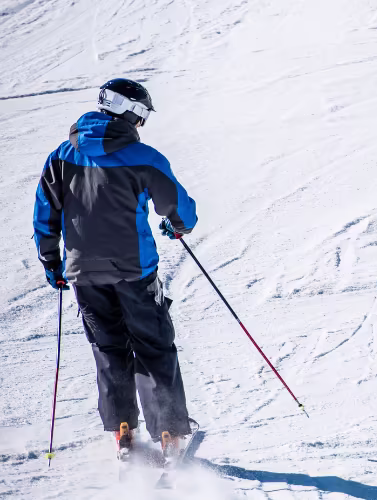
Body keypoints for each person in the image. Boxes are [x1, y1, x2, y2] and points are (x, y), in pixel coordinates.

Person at [32, 78, 198, 461]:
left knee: (108, 348)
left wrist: (51, 260)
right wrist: (178, 225)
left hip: (82, 274)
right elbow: (179, 208)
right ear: (134, 112)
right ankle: (169, 431)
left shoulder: (62, 155)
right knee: (153, 346)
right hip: (134, 271)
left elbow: (45, 212)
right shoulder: (144, 157)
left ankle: (123, 430)